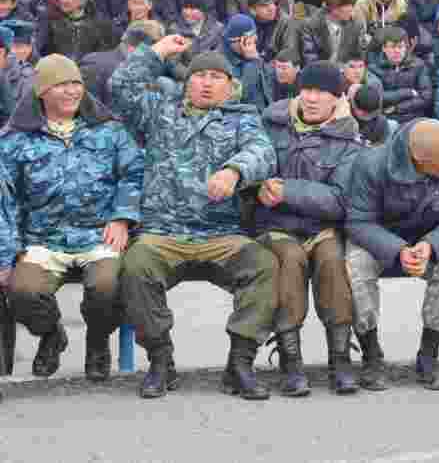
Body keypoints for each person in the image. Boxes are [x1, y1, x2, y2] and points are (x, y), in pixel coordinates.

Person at [111, 35, 279, 400]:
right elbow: (120, 88)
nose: (206, 82)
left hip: (221, 232)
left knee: (264, 266)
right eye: (199, 75)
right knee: (136, 267)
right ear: (187, 82)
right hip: (164, 232)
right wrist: (155, 53)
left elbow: (263, 152)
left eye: (216, 77)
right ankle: (160, 360)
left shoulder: (243, 118)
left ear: (230, 86)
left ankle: (240, 363)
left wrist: (234, 171)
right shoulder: (160, 112)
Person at [0, 54, 143, 381]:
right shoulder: (14, 139)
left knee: (108, 287)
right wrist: (7, 256)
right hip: (42, 239)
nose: (71, 91)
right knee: (23, 292)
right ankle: (52, 334)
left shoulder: (109, 130)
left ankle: (97, 342)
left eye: (76, 83)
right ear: (41, 92)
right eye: (61, 85)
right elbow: (5, 200)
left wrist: (122, 217)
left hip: (98, 234)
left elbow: (134, 173)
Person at [256, 62, 365, 396]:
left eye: (322, 92)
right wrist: (258, 187)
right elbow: (253, 164)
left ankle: (340, 360)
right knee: (289, 260)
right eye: (306, 89)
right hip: (276, 226)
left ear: (338, 98)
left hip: (324, 228)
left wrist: (288, 191)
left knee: (333, 261)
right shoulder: (272, 124)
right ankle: (291, 361)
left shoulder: (349, 138)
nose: (312, 98)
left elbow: (341, 200)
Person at [345, 119, 439, 391]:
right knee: (356, 265)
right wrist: (397, 250)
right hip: (379, 240)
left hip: (428, 240)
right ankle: (371, 355)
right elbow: (358, 222)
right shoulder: (370, 164)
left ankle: (429, 355)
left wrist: (431, 245)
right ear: (419, 160)